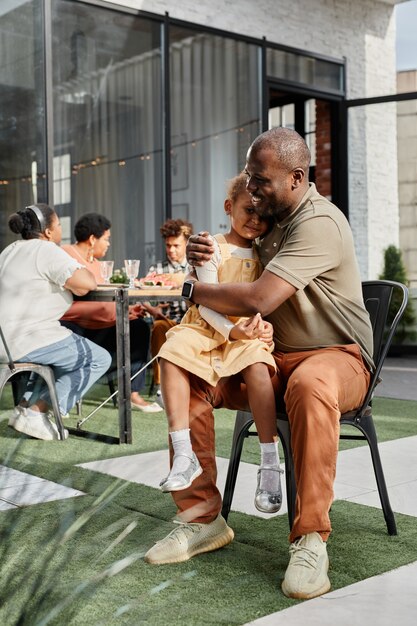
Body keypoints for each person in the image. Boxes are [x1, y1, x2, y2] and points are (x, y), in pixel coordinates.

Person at [144, 128, 373, 602]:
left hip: (338, 357)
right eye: (248, 178)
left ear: (295, 177)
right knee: (187, 373)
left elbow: (261, 296)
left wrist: (191, 289)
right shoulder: (265, 219)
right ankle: (202, 516)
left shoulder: (318, 223)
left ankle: (310, 537)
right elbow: (230, 255)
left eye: (260, 180)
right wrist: (200, 256)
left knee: (310, 383)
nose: (251, 189)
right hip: (268, 357)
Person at [157, 174, 283, 514]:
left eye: (263, 214)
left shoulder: (266, 252)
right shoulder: (211, 246)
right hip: (209, 327)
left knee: (258, 366)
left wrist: (261, 329)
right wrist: (233, 332)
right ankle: (184, 452)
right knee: (171, 350)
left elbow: (269, 300)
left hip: (244, 333)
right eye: (248, 210)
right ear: (229, 207)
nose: (256, 220)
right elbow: (207, 302)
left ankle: (270, 462)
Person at [0, 204, 111, 440]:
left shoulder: (9, 251)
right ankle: (37, 412)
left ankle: (23, 408)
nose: (61, 229)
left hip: (6, 340)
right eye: (59, 225)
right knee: (100, 359)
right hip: (28, 338)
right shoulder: (46, 250)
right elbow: (87, 283)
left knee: (58, 353)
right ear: (48, 231)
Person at [61, 212, 162, 413]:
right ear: (92, 239)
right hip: (74, 324)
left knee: (138, 328)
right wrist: (116, 313)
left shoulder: (100, 265)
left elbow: (105, 301)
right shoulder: (66, 255)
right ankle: (62, 397)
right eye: (106, 239)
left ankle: (132, 393)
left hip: (100, 326)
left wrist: (128, 311)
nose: (108, 244)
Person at [139, 218, 193, 395]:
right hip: (168, 321)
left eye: (176, 245)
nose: (171, 250)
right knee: (159, 326)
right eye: (168, 245)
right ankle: (162, 387)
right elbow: (142, 295)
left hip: (193, 322)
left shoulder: (196, 267)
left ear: (186, 244)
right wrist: (153, 309)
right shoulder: (158, 269)